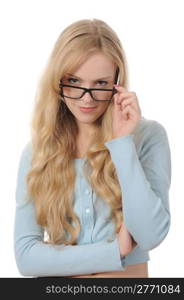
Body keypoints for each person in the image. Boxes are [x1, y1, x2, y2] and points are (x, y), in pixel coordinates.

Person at [14, 18, 171, 278]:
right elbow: (26, 258)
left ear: (117, 81)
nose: (87, 99)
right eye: (74, 81)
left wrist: (121, 143)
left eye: (100, 84)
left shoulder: (147, 137)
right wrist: (114, 251)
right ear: (58, 81)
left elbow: (151, 234)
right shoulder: (38, 152)